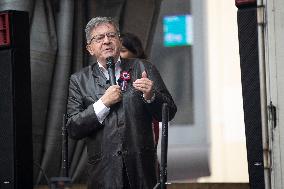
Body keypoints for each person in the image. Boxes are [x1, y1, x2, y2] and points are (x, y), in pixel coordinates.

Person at [66, 17, 177, 189]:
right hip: (104, 174)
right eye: (99, 38)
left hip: (141, 171)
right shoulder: (79, 80)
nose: (106, 41)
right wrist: (103, 103)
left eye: (111, 35)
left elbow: (169, 111)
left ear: (119, 40)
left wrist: (151, 96)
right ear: (90, 48)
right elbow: (73, 128)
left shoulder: (143, 68)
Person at [120, 32, 160, 146]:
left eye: (122, 50)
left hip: (142, 129)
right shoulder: (115, 74)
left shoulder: (146, 72)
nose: (117, 55)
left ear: (135, 53)